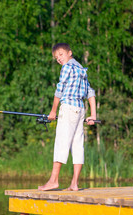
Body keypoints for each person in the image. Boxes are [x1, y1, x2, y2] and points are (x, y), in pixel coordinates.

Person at [38, 43, 96, 191]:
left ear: (70, 52)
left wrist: (53, 111)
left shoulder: (67, 68)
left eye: (61, 55)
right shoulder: (82, 70)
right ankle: (74, 184)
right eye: (56, 57)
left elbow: (60, 89)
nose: (58, 59)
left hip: (68, 108)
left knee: (61, 143)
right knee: (77, 146)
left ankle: (53, 181)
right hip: (80, 110)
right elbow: (90, 93)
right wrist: (93, 115)